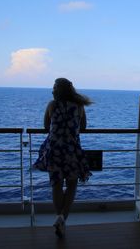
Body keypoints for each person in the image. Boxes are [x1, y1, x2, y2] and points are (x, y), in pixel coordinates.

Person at [33, 78, 92, 238]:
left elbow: (46, 126)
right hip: (72, 150)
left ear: (60, 90)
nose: (52, 90)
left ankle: (59, 217)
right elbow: (84, 127)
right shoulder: (79, 106)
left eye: (54, 88)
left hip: (54, 150)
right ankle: (62, 219)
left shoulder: (52, 105)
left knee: (56, 185)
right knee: (72, 185)